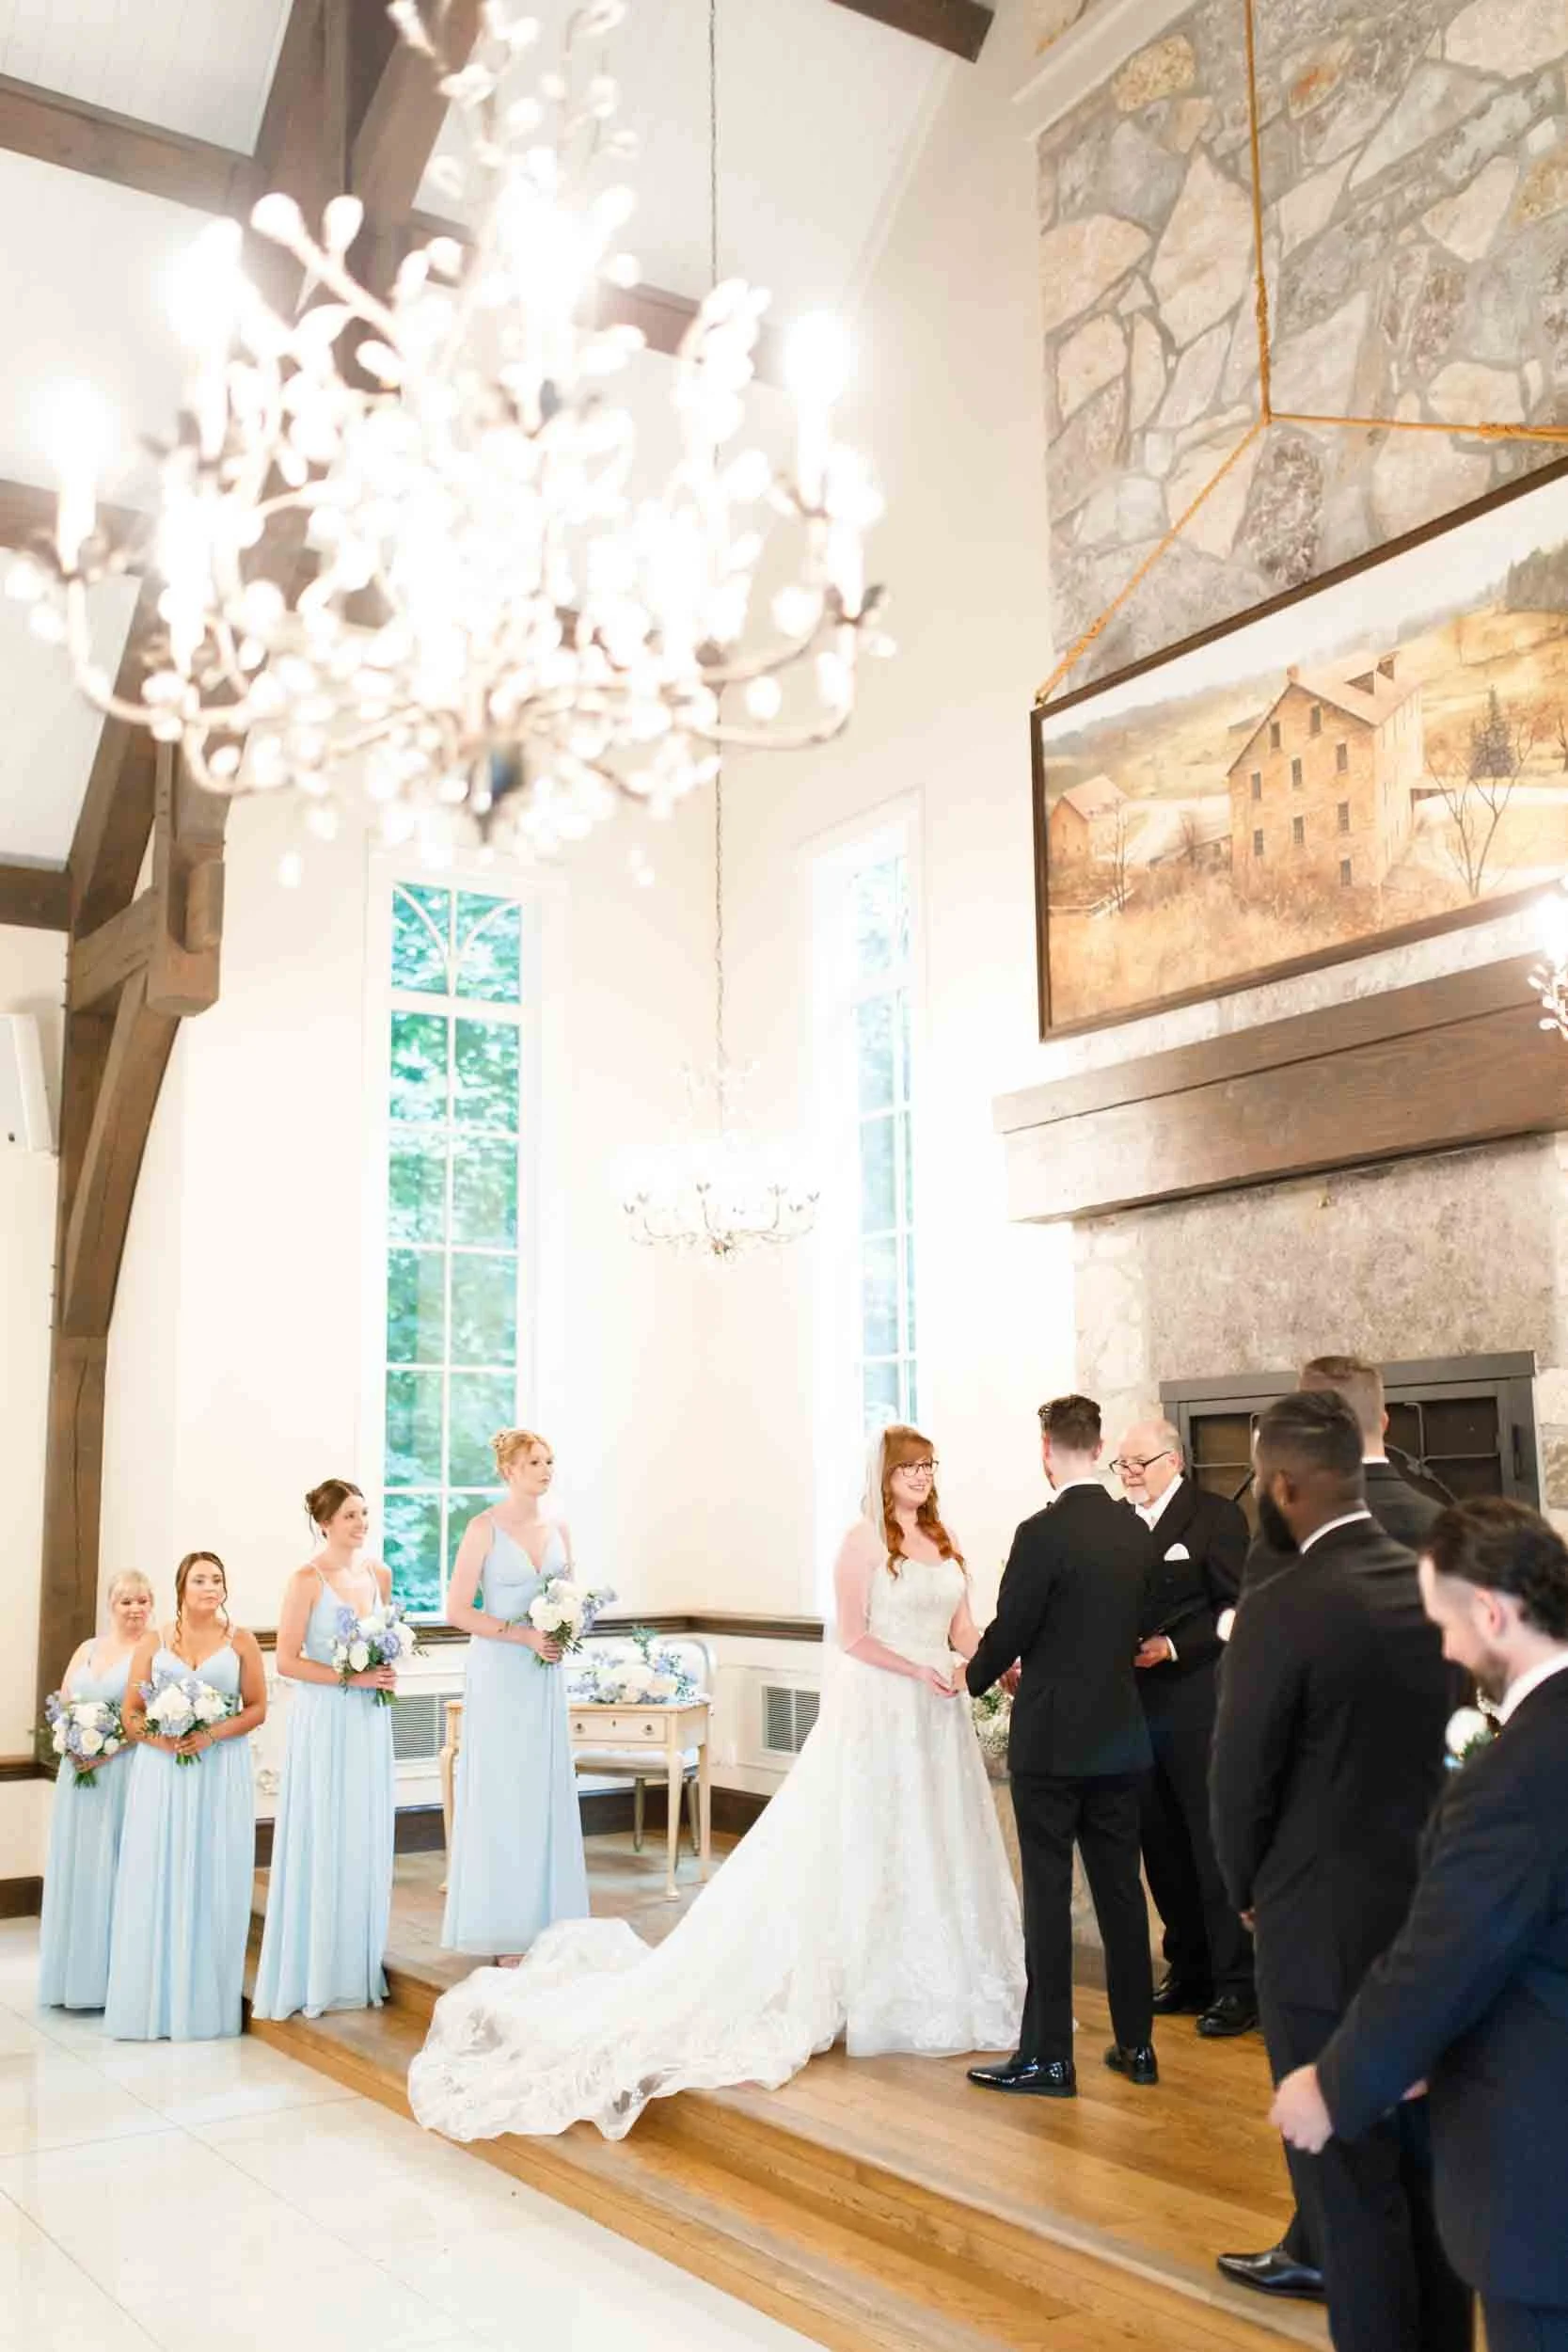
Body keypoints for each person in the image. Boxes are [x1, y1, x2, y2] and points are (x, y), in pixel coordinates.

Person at [407, 1425, 1023, 2140]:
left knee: (932, 1839)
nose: (921, 1476)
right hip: (883, 1703)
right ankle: (859, 1981)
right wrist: (917, 1667)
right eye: (909, 1467)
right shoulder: (860, 1542)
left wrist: (998, 1670)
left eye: (928, 1466)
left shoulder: (944, 1543)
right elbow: (851, 1636)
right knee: (863, 1837)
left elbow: (966, 1630)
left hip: (936, 1716)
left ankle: (938, 1980)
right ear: (884, 1475)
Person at [1272, 1499, 1568, 2352]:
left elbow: (1443, 1958)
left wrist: (1331, 2087)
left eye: (1445, 1622)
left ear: (1490, 1611)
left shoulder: (1513, 1778)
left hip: (1543, 2180)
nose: (1444, 1648)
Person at [1210, 1394, 1471, 2352]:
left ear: (1280, 1485)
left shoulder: (1283, 1603)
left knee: (1348, 2193)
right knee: (1425, 2175)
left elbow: (1238, 1777)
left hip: (1314, 1925)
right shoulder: (1422, 1579)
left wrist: (1242, 1888)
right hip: (1428, 1917)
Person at [966, 1395, 1157, 2101]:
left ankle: (1048, 2058)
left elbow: (1012, 1625)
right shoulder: (1132, 1530)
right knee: (1120, 1895)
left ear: (1046, 1450)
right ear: (1100, 1445)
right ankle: (1136, 2046)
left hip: (1049, 1742)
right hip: (1119, 1736)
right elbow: (1138, 1626)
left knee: (1047, 1899)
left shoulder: (1039, 1533)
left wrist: (977, 1675)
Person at [1116, 1419, 1253, 2039]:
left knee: (1207, 1842)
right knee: (1159, 1843)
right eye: (1120, 1466)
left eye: (1135, 1464)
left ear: (1171, 1461)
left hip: (1197, 1703)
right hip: (1131, 1706)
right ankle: (1186, 1968)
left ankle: (1235, 1984)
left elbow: (1237, 1608)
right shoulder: (1118, 1523)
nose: (1127, 1476)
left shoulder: (1215, 1518)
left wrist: (1173, 1646)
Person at [440, 1428, 589, 1962]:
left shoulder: (560, 1529)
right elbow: (457, 1611)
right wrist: (524, 1634)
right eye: (534, 1462)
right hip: (501, 1672)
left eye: (550, 1460)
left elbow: (571, 1598)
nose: (546, 1470)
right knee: (502, 1789)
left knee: (542, 1790)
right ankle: (505, 1929)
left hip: (543, 1674)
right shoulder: (483, 1528)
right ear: (509, 1470)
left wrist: (564, 1630)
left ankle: (549, 1924)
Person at [252, 1480, 399, 2020]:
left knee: (363, 1830)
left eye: (364, 1513)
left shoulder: (378, 1574)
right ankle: (314, 1970)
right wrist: (351, 1680)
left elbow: (385, 1641)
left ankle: (356, 1967)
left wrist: (384, 1673)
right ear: (326, 1523)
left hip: (369, 1721)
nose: (362, 1523)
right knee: (326, 1828)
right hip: (326, 1718)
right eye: (351, 1515)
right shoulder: (306, 1580)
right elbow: (286, 1661)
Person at [105, 1551, 267, 2041]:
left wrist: (212, 1735)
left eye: (217, 1579)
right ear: (181, 1587)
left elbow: (257, 1707)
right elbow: (132, 1713)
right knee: (161, 1870)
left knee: (213, 1871)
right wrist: (162, 1739)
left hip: (221, 1770)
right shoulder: (155, 1641)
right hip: (163, 1771)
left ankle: (206, 2005)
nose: (210, 1587)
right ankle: (152, 2001)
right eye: (199, 1579)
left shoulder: (241, 1641)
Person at [38, 1570, 155, 2010]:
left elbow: (152, 1715)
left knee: (119, 1864)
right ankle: (71, 1977)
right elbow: (66, 1700)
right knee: (80, 1864)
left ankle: (112, 1981)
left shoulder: (153, 1651)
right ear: (111, 1605)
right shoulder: (87, 1649)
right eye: (127, 1601)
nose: (136, 1609)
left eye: (143, 1600)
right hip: (79, 1772)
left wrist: (109, 1747)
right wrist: (72, 1740)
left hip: (124, 1769)